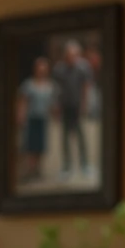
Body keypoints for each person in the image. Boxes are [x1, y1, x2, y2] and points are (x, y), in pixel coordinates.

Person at [52, 39, 93, 179]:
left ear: (78, 55)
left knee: (81, 135)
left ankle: (85, 164)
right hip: (65, 105)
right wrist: (56, 105)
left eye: (74, 55)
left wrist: (84, 105)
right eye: (69, 55)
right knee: (64, 137)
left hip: (77, 105)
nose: (72, 58)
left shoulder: (83, 67)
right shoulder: (59, 69)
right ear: (65, 55)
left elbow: (86, 87)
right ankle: (66, 166)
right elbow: (56, 89)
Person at [16, 56, 59, 182]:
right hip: (31, 118)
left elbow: (53, 103)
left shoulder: (50, 86)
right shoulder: (28, 84)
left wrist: (55, 114)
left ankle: (38, 169)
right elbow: (23, 101)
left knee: (41, 145)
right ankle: (30, 169)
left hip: (43, 118)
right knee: (30, 145)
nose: (42, 71)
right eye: (40, 68)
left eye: (44, 69)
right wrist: (20, 115)